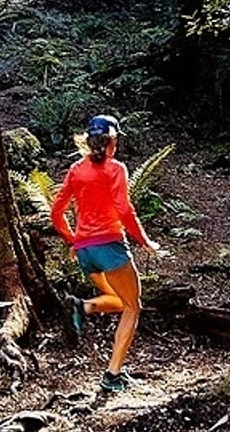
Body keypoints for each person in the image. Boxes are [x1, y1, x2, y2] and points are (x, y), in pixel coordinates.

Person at [50, 114, 161, 392]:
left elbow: (56, 211)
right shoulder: (115, 168)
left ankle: (82, 306)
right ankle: (112, 375)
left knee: (118, 300)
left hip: (86, 253)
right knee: (133, 307)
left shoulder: (76, 169)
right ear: (113, 142)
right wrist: (145, 240)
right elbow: (124, 209)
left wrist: (73, 241)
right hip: (109, 247)